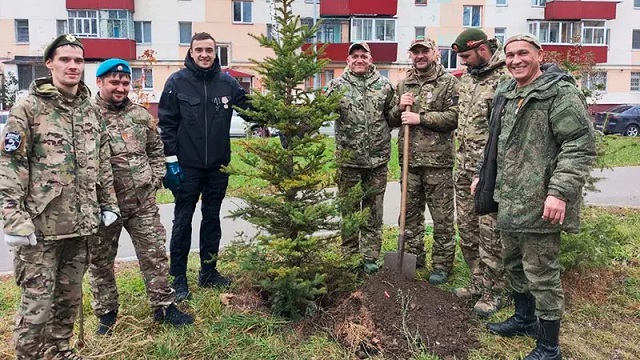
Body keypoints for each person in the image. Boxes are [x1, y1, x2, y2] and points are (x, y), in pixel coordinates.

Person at [473, 34, 596, 359]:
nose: (515, 60)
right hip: (509, 200)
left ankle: (549, 346)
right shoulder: (507, 91)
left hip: (541, 203)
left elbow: (579, 145)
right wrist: (481, 177)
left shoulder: (559, 93)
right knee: (514, 265)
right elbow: (495, 141)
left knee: (542, 273)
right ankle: (524, 319)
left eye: (523, 53)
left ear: (539, 55)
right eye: (510, 54)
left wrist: (559, 192)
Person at [0, 34, 120, 360]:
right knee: (36, 305)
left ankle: (60, 351)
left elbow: (103, 161)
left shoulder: (89, 111)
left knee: (69, 298)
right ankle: (29, 355)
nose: (72, 66)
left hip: (80, 225)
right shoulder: (29, 108)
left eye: (78, 60)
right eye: (65, 59)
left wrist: (108, 203)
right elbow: (10, 163)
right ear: (49, 63)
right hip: (39, 230)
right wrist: (13, 217)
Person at [87, 59, 194, 335]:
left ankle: (164, 307)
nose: (121, 87)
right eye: (114, 82)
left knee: (155, 255)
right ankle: (107, 314)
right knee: (100, 261)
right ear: (99, 82)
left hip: (142, 202)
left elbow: (156, 149)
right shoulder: (86, 116)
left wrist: (155, 177)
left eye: (125, 82)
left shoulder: (141, 115)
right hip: (103, 206)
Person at [158, 32, 251, 301]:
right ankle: (179, 279)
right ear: (190, 52)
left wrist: (279, 117)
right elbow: (166, 124)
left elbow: (249, 107)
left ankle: (209, 272)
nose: (204, 55)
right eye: (199, 50)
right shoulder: (177, 82)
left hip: (217, 168)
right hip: (186, 167)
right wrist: (170, 161)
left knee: (211, 219)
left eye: (209, 50)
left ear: (215, 52)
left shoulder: (227, 83)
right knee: (183, 221)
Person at [450, 29, 512, 317]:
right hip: (462, 169)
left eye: (465, 56)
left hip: (488, 173)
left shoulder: (505, 79)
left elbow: (507, 133)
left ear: (482, 50)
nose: (462, 62)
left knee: (491, 234)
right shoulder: (469, 79)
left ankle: (495, 291)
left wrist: (490, 170)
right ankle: (477, 282)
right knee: (467, 229)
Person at [391, 36, 459, 285]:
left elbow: (454, 117)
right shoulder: (404, 83)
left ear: (434, 53)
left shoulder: (449, 83)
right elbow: (390, 118)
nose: (419, 56)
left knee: (441, 217)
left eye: (424, 51)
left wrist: (421, 118)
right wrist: (400, 107)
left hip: (437, 162)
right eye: (415, 52)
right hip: (409, 162)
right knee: (409, 215)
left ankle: (441, 264)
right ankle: (413, 256)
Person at [325, 42, 397, 274]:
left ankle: (370, 255)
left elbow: (392, 118)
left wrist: (404, 107)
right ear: (348, 60)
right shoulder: (336, 86)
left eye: (363, 56)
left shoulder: (384, 86)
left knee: (374, 211)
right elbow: (318, 112)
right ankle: (349, 254)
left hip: (377, 161)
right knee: (349, 210)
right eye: (354, 56)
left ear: (370, 59)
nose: (359, 60)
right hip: (348, 161)